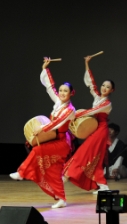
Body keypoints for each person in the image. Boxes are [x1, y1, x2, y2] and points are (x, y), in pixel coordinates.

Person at [10, 58, 76, 209]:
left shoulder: (70, 109)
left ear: (71, 93)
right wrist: (45, 68)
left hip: (61, 143)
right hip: (54, 140)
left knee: (38, 150)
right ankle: (61, 199)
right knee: (53, 171)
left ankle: (22, 172)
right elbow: (49, 87)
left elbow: (58, 122)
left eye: (65, 91)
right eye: (60, 90)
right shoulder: (59, 103)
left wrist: (42, 129)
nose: (61, 93)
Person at [63, 55, 114, 194]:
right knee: (95, 159)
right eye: (103, 85)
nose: (104, 88)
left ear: (111, 91)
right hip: (96, 129)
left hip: (101, 130)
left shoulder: (106, 103)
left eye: (108, 87)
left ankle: (67, 175)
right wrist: (86, 63)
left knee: (84, 152)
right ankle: (102, 186)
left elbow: (92, 111)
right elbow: (91, 83)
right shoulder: (98, 97)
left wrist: (73, 115)